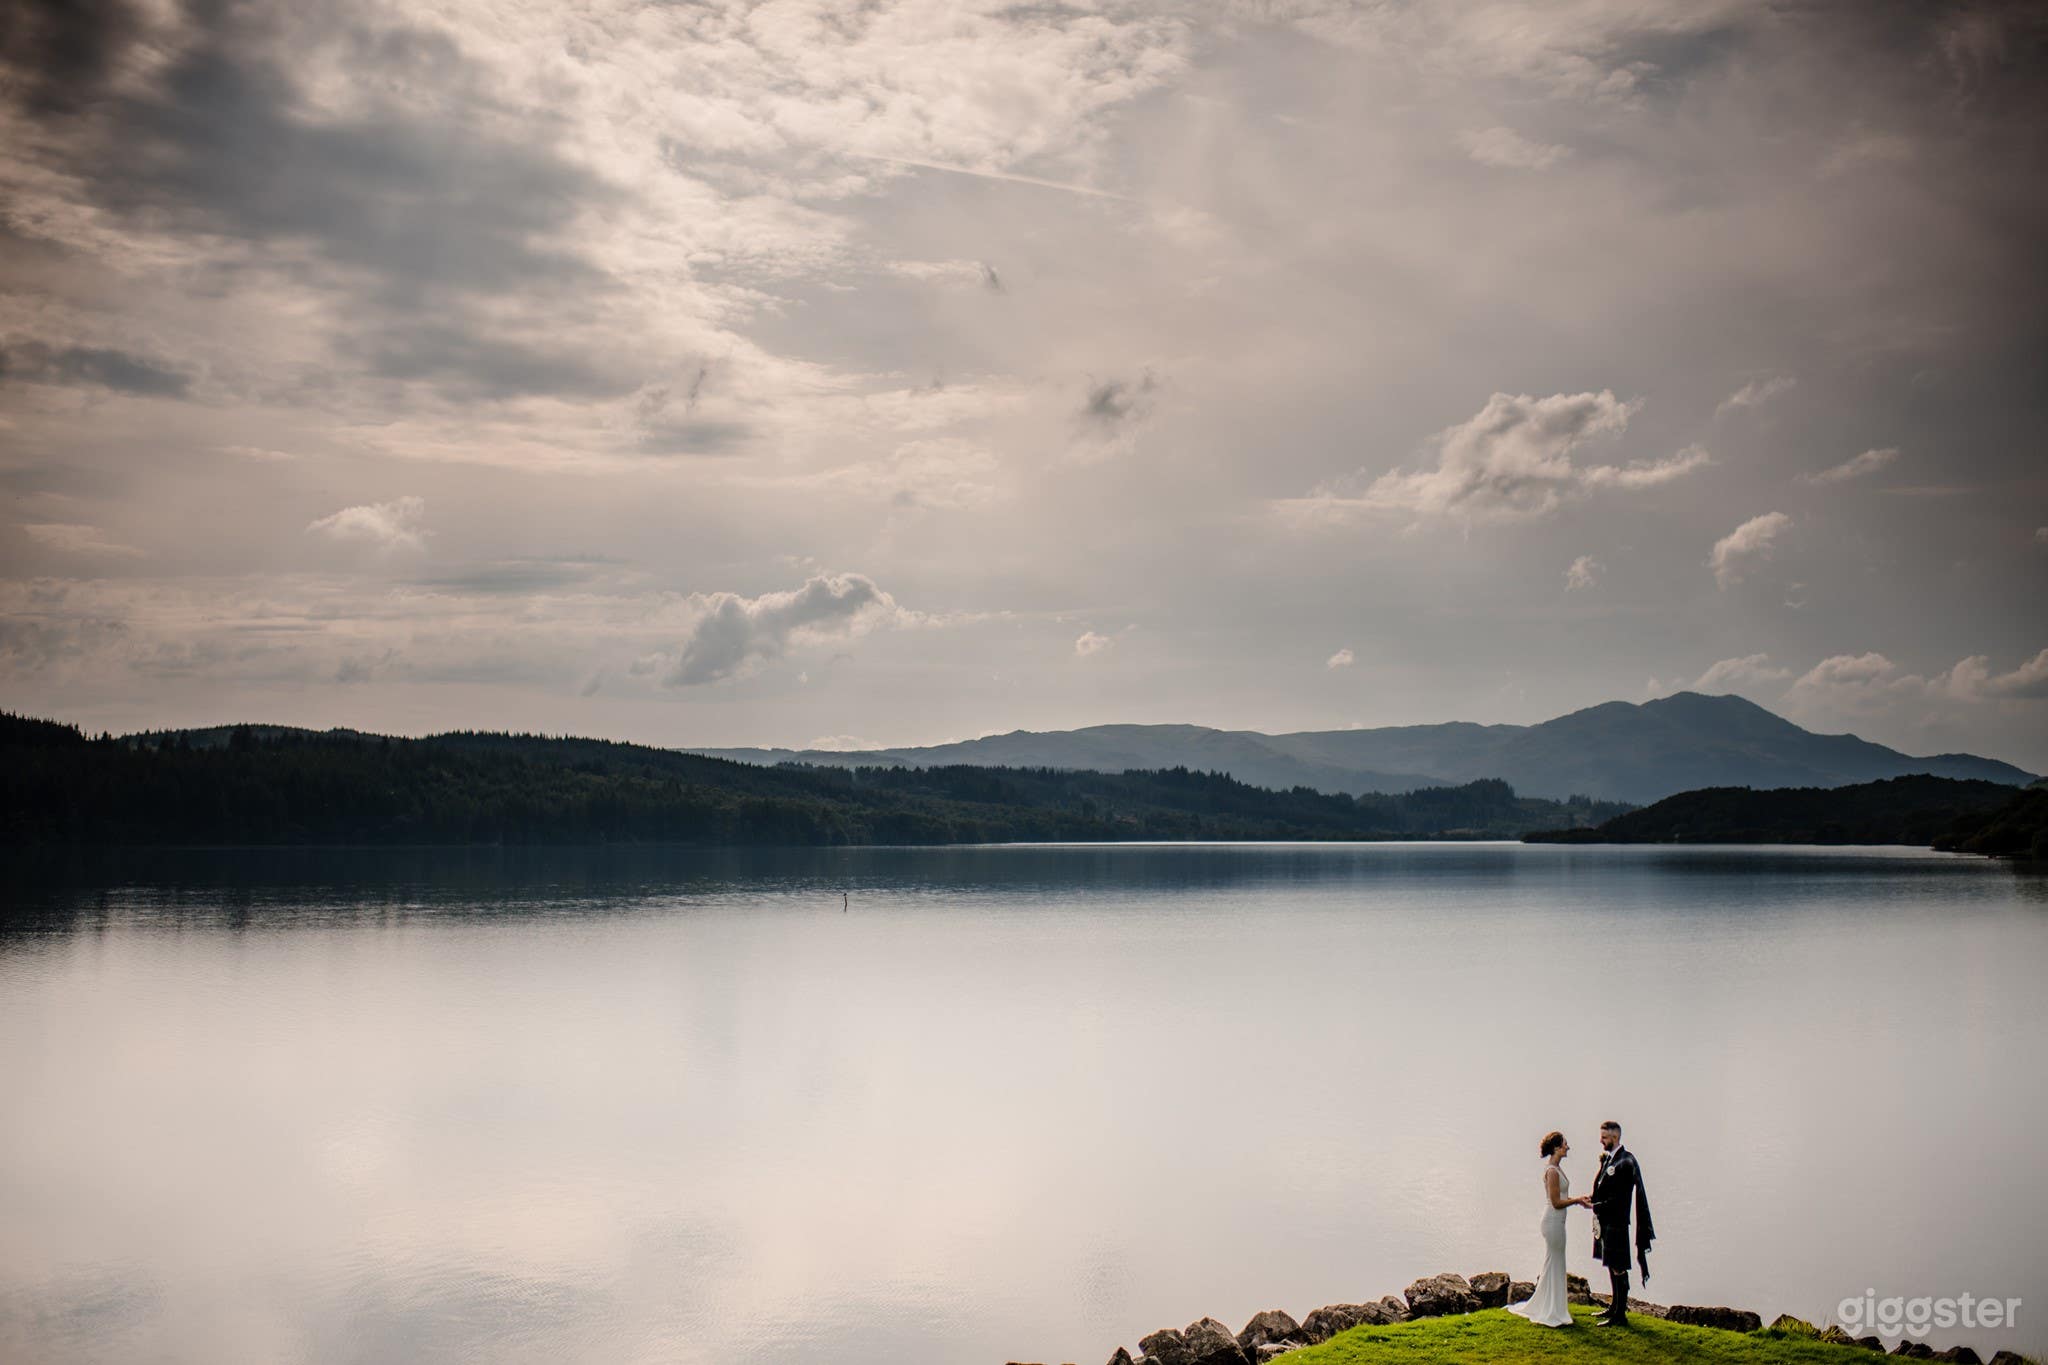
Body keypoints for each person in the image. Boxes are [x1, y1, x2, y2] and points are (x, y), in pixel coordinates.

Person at [1508, 1130, 1592, 1328]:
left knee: (1554, 1263)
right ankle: (1552, 1310)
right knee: (1555, 1261)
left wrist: (1579, 1200)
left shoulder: (1556, 1168)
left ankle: (1553, 1306)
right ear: (1556, 1148)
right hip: (1553, 1221)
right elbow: (1555, 1202)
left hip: (1558, 1221)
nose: (1567, 1147)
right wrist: (1578, 1200)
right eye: (1564, 1144)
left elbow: (1562, 1199)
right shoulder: (1552, 1171)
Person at [1588, 1119, 1655, 1327]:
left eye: (1604, 1137)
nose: (1601, 1141)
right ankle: (1615, 1305)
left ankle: (1620, 1315)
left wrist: (1597, 1206)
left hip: (1616, 1221)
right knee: (1610, 1264)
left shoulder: (1626, 1161)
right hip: (1607, 1220)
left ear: (1615, 1137)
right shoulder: (1611, 1159)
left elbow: (1620, 1198)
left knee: (1618, 1267)